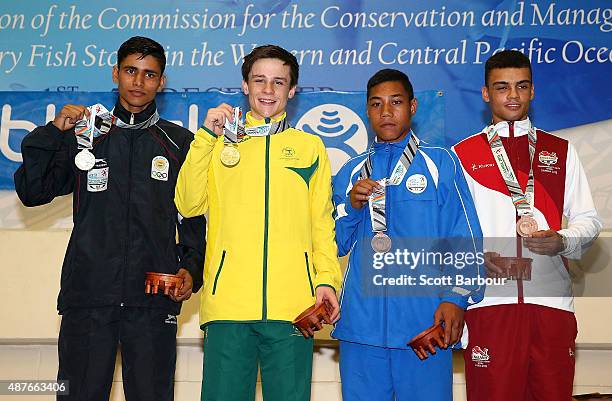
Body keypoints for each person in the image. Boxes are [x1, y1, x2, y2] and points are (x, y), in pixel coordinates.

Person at [14, 36, 206, 401]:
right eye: (131, 71)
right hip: (89, 297)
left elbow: (194, 216)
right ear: (116, 73)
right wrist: (54, 132)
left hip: (153, 300)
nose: (139, 81)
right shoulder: (85, 136)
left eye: (150, 75)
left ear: (161, 82)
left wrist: (192, 269)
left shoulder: (181, 143)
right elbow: (33, 190)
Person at [174, 44, 342, 401]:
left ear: (292, 90)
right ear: (245, 86)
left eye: (278, 82)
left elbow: (321, 224)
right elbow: (187, 204)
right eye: (259, 80)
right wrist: (205, 137)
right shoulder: (218, 143)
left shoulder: (310, 147)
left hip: (294, 307)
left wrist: (326, 279)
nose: (268, 90)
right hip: (228, 307)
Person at [452, 50, 603, 401]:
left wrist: (562, 240)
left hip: (551, 304)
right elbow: (452, 230)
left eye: (521, 86)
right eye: (502, 87)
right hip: (489, 305)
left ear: (533, 90)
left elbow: (589, 220)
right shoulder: (462, 154)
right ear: (486, 93)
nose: (513, 95)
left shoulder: (560, 150)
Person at [331, 68, 483, 401]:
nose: (386, 112)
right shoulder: (351, 171)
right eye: (376, 104)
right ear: (367, 110)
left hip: (425, 322)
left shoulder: (439, 162)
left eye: (396, 102)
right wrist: (353, 208)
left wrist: (456, 297)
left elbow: (464, 233)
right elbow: (335, 245)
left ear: (413, 107)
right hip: (362, 326)